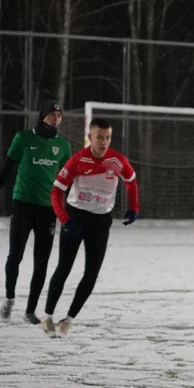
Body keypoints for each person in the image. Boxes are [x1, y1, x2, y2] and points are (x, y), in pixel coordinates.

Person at [42, 118, 139, 336]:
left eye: (108, 138)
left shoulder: (117, 160)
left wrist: (134, 207)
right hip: (75, 218)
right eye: (99, 137)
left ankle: (69, 319)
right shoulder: (78, 160)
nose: (104, 142)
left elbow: (131, 180)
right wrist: (65, 220)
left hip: (100, 222)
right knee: (63, 269)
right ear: (90, 137)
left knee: (91, 273)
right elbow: (56, 191)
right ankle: (47, 315)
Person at [0, 101, 72, 324]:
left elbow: (67, 178)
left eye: (59, 115)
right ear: (42, 117)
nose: (57, 118)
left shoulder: (63, 145)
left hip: (48, 209)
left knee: (42, 261)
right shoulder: (23, 138)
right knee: (15, 256)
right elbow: (7, 168)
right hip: (23, 204)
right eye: (52, 114)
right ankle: (9, 299)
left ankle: (30, 311)